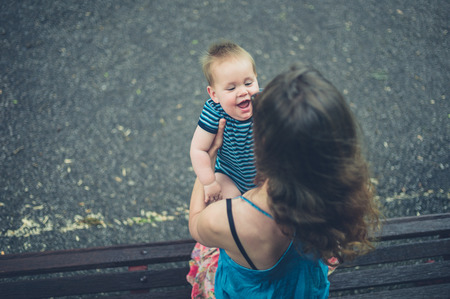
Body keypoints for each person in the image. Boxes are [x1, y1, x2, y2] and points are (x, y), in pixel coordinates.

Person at [188, 62, 380, 298]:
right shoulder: (340, 194)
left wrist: (209, 157)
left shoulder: (229, 219)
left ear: (264, 143)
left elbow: (196, 224)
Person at [190, 41, 260, 203]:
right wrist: (209, 182)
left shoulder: (264, 102)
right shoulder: (215, 111)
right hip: (230, 176)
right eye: (231, 88)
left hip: (265, 178)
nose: (243, 91)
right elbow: (198, 149)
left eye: (248, 83)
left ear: (256, 79)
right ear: (214, 94)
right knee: (226, 206)